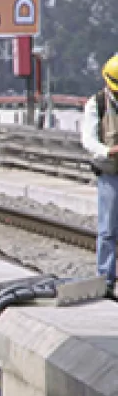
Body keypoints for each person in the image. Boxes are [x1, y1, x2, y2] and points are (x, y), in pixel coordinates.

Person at [81, 54, 118, 295]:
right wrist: (109, 151)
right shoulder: (97, 103)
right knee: (108, 230)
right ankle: (105, 279)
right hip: (110, 174)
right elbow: (88, 140)